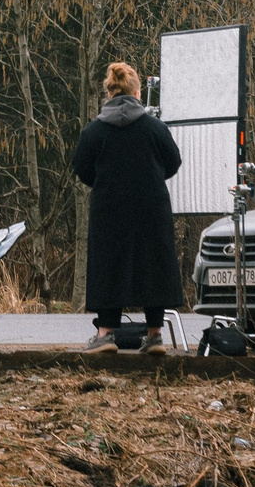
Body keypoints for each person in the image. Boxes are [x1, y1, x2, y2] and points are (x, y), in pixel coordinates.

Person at [71, 62, 182, 354]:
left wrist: (107, 183)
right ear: (137, 92)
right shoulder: (155, 128)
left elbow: (82, 169)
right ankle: (155, 335)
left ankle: (105, 335)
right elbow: (173, 162)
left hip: (109, 210)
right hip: (151, 208)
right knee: (153, 266)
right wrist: (150, 177)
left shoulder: (94, 131)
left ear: (109, 94)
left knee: (108, 266)